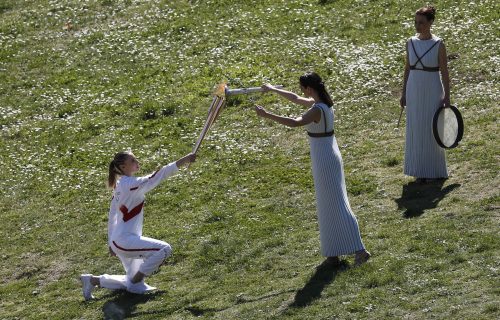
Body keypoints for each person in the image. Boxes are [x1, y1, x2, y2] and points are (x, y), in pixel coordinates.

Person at [254, 72, 370, 267]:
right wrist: (273, 89)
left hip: (325, 158)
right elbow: (295, 98)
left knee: (338, 204)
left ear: (309, 88)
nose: (301, 91)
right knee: (326, 205)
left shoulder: (317, 109)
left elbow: (295, 122)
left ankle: (360, 250)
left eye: (302, 88)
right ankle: (333, 253)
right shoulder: (320, 103)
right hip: (324, 155)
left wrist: (267, 115)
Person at [80, 150, 196, 300]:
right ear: (123, 166)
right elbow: (156, 177)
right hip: (125, 241)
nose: (137, 163)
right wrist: (183, 160)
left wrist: (111, 242)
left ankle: (92, 280)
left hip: (121, 240)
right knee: (164, 249)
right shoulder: (129, 184)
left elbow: (112, 215)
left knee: (133, 282)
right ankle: (136, 280)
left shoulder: (120, 186)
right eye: (133, 161)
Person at [400, 6, 451, 182]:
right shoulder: (410, 42)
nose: (417, 26)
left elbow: (444, 72)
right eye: (416, 22)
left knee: (432, 127)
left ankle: (433, 171)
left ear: (430, 22)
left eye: (421, 22)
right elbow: (407, 69)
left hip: (432, 88)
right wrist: (404, 92)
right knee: (416, 126)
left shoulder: (438, 44)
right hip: (414, 89)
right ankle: (418, 170)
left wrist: (447, 96)